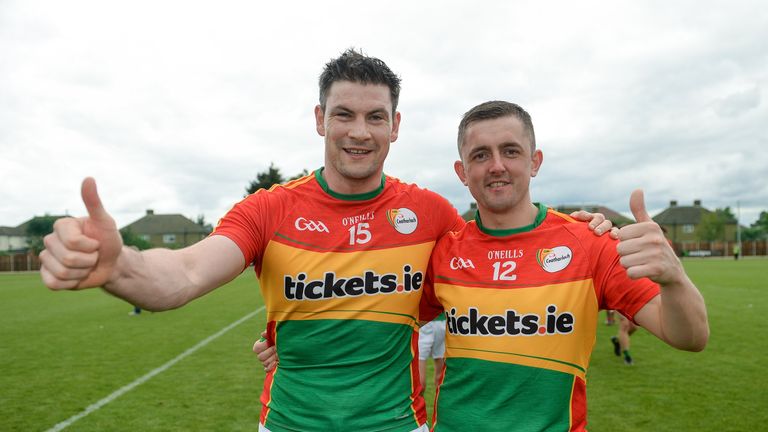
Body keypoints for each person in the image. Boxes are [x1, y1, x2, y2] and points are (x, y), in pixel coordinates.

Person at [40, 50, 612, 432]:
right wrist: (119, 268)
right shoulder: (268, 208)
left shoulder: (431, 213)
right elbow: (186, 273)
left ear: (395, 125)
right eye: (344, 114)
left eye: (375, 117)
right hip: (289, 423)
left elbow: (497, 262)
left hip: (397, 425)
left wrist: (582, 226)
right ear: (320, 119)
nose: (359, 132)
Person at [416, 101, 709, 431]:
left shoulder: (591, 242)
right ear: (462, 172)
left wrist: (674, 279)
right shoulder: (444, 252)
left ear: (534, 161)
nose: (496, 165)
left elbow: (691, 336)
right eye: (480, 155)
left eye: (510, 151)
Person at [418, 313, 446, 397]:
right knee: (421, 383)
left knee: (440, 380)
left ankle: (436, 406)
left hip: (439, 322)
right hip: (430, 323)